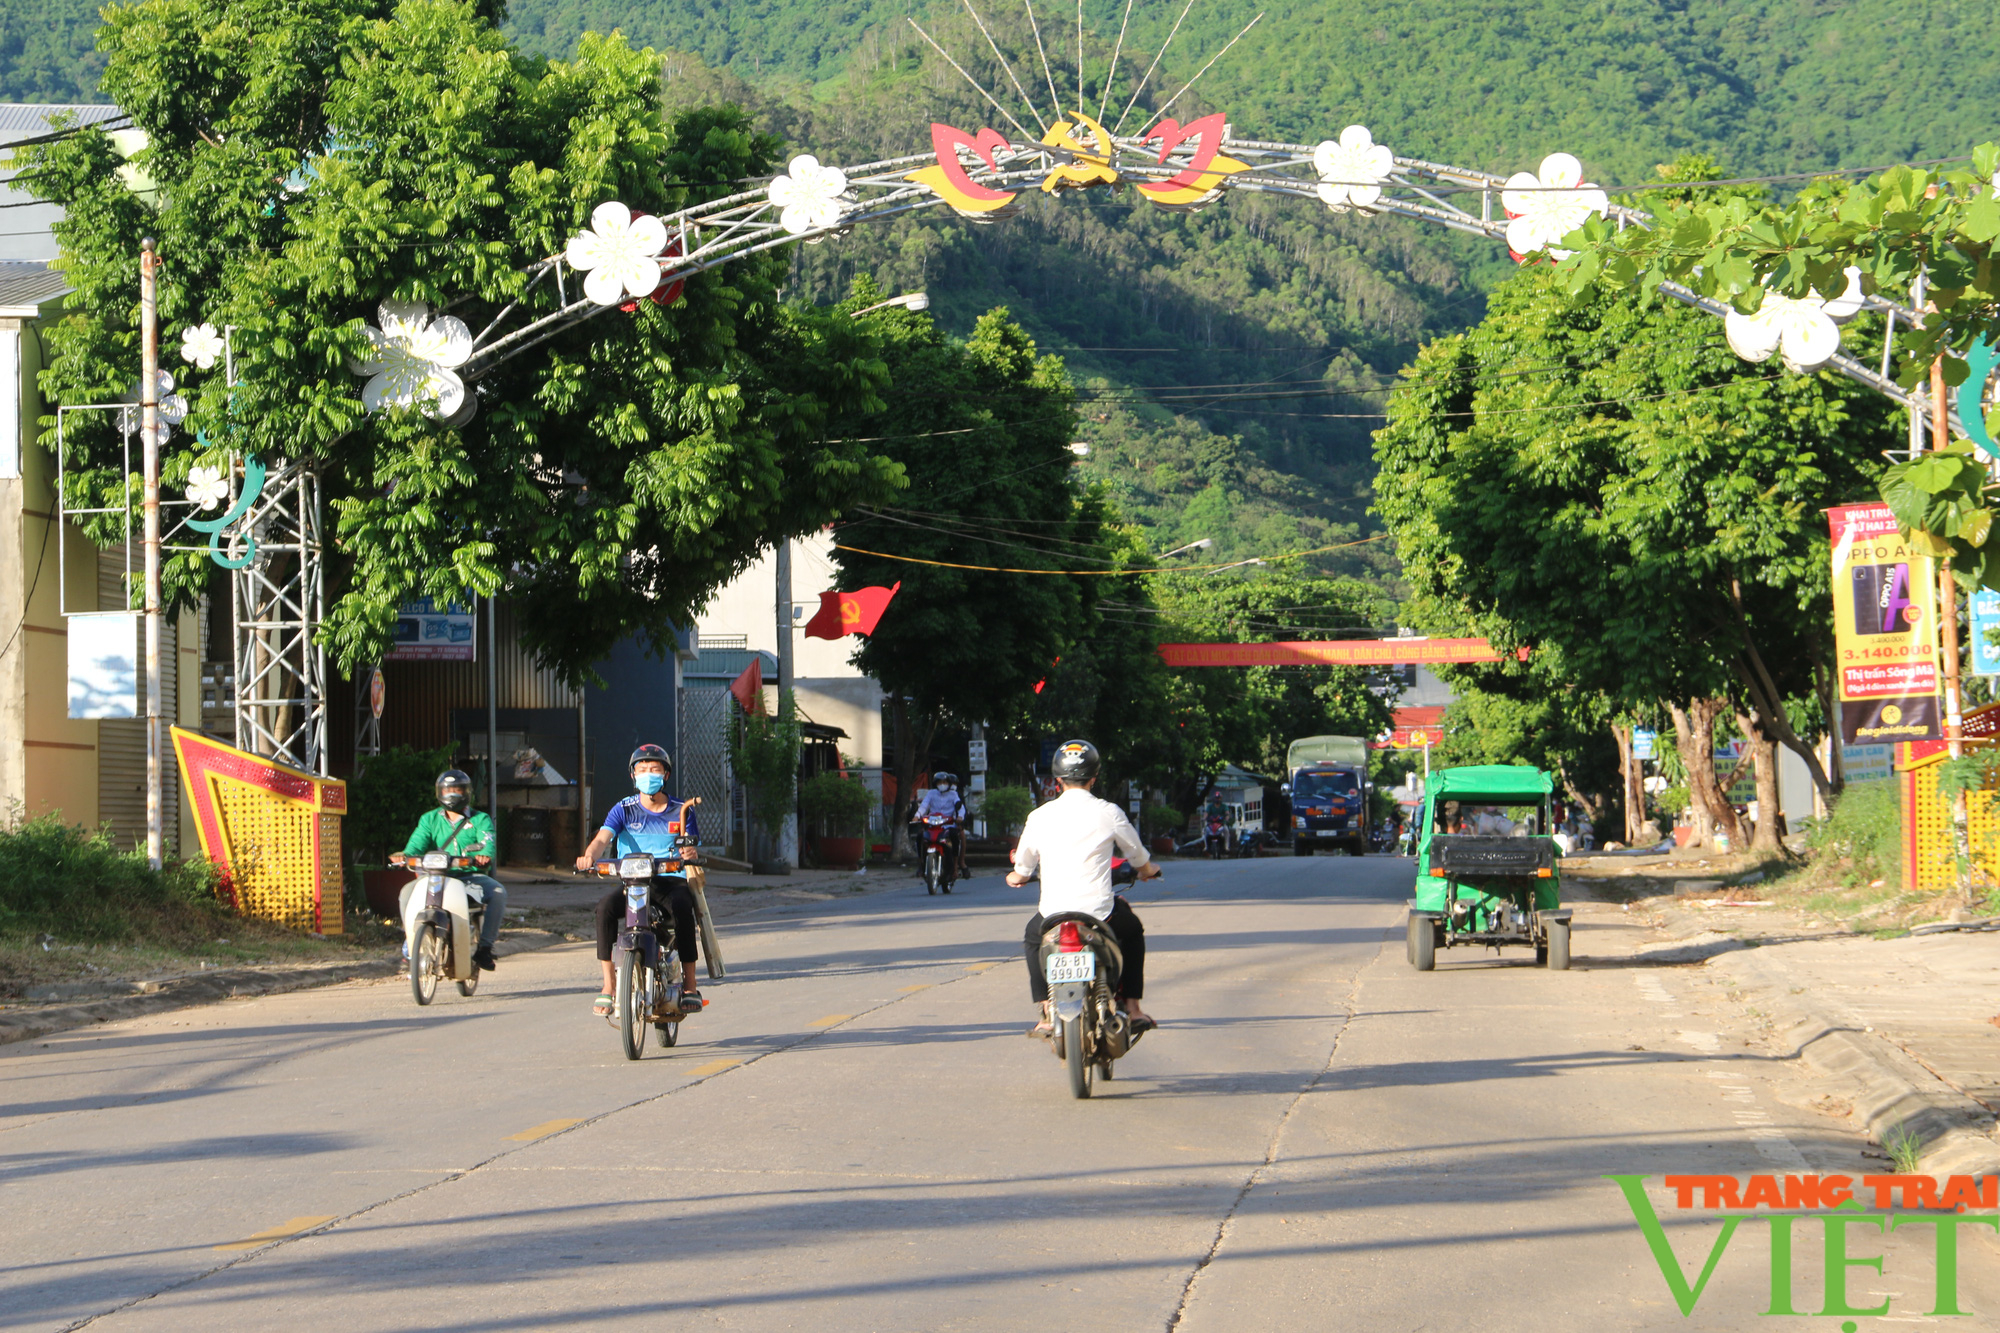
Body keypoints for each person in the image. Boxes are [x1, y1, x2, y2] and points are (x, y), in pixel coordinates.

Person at [1005, 739, 1161, 1035]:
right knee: (1132, 932)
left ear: (1058, 779)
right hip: (1100, 913)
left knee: (1032, 937)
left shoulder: (1039, 816)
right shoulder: (1109, 812)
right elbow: (1138, 855)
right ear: (1094, 777)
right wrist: (1148, 871)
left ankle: (1047, 1011)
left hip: (1053, 914)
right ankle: (1133, 1007)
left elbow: (1022, 868)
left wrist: (1017, 877)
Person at [575, 745, 705, 1018]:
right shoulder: (623, 809)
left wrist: (689, 853)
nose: (648, 774)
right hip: (633, 882)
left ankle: (690, 984)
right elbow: (602, 839)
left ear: (666, 774)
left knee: (683, 906)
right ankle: (609, 985)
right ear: (633, 776)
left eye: (654, 769)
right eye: (642, 770)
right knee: (604, 909)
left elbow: (690, 846)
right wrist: (589, 856)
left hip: (669, 882)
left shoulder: (682, 810)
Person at [395, 769, 506, 971]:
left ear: (467, 793)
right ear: (439, 793)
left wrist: (483, 856)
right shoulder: (429, 819)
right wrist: (404, 856)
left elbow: (487, 843)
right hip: (434, 877)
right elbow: (415, 846)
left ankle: (485, 947)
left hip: (468, 877)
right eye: (448, 790)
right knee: (405, 895)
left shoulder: (480, 819)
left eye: (458, 790)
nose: (452, 795)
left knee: (498, 893)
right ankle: (411, 944)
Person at [912, 771, 969, 880]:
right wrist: (917, 815)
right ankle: (921, 863)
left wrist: (960, 817)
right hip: (933, 825)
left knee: (954, 838)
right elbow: (924, 806)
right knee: (920, 837)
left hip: (948, 825)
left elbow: (960, 807)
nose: (942, 784)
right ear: (935, 783)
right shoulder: (931, 794)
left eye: (944, 782)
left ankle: (956, 865)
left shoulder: (954, 794)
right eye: (940, 782)